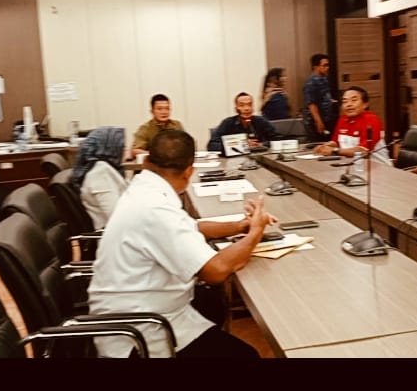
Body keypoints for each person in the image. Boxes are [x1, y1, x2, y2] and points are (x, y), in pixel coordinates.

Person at [88, 129, 276, 358]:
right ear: (189, 172)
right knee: (245, 356)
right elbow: (216, 271)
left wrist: (239, 226)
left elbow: (190, 227)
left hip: (144, 309)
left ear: (146, 161)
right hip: (138, 333)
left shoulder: (145, 189)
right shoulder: (155, 207)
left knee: (213, 302)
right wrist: (256, 232)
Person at [313, 86, 390, 163]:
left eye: (354, 100)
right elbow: (337, 142)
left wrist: (334, 150)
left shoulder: (371, 119)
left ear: (365, 104)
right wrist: (325, 146)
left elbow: (363, 151)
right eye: (345, 101)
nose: (349, 104)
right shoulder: (342, 119)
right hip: (352, 165)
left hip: (377, 166)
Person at [72, 127, 128, 230]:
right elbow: (116, 217)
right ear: (110, 148)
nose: (125, 150)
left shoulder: (104, 167)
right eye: (122, 146)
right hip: (113, 234)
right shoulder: (100, 174)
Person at [207, 92, 277, 153]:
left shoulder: (260, 121)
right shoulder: (228, 123)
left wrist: (262, 144)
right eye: (242, 105)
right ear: (236, 109)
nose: (246, 108)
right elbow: (212, 145)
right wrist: (240, 144)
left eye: (249, 104)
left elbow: (277, 139)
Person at [302, 53, 336, 143]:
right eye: (324, 65)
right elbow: (311, 104)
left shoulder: (324, 79)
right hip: (315, 120)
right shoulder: (311, 83)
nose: (327, 68)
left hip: (326, 118)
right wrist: (318, 121)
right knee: (318, 144)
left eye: (328, 65)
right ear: (315, 67)